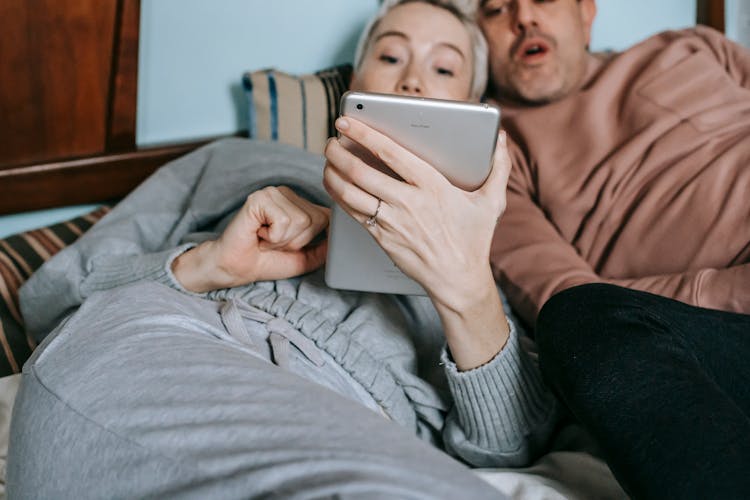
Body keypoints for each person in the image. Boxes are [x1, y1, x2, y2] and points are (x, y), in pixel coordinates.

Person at [7, 1, 559, 498]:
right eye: (391, 57)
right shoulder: (236, 158)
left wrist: (464, 289)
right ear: (356, 79)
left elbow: (508, 447)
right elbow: (50, 295)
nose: (413, 81)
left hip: (350, 414)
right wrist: (206, 266)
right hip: (162, 338)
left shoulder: (470, 250)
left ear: (471, 105)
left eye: (443, 68)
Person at [474, 0, 750, 497]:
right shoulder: (495, 150)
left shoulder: (692, 46)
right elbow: (568, 295)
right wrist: (730, 290)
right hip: (720, 333)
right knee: (579, 322)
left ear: (586, 11)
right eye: (496, 9)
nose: (524, 17)